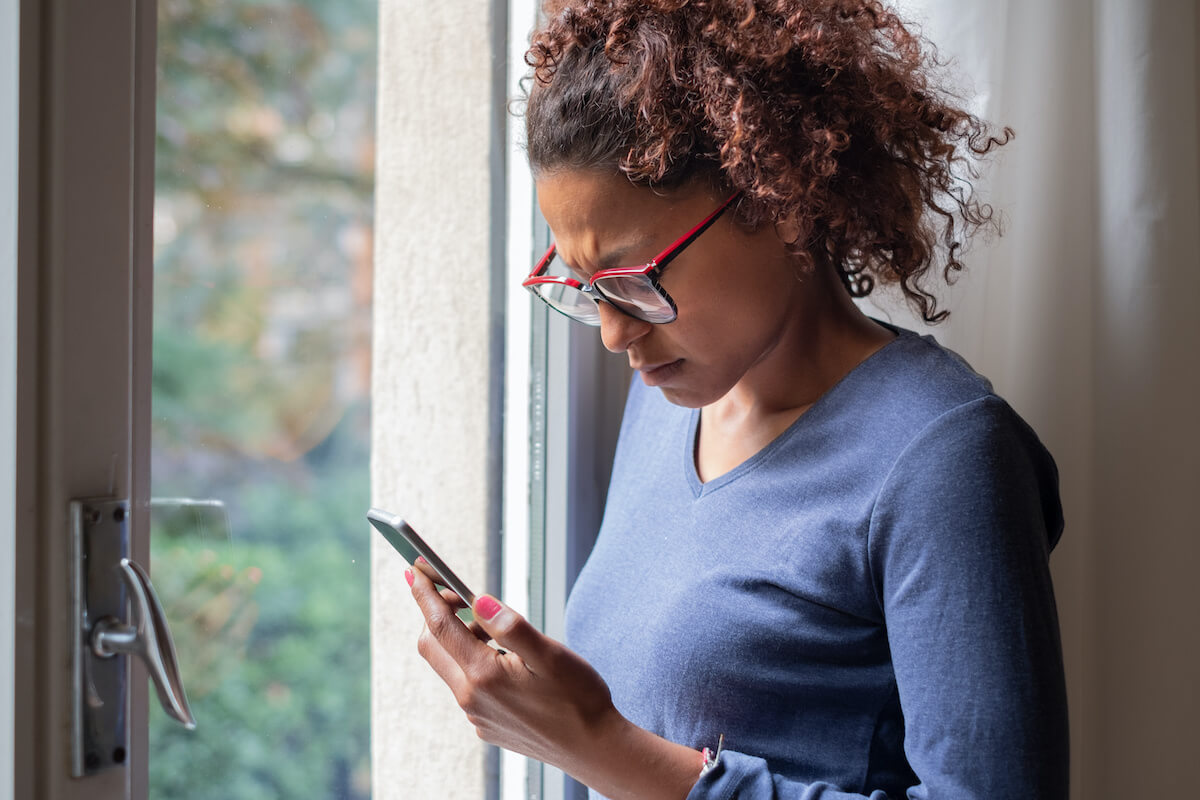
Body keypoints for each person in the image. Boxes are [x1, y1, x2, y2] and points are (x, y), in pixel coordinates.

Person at [405, 1, 1070, 798]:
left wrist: (601, 747)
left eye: (634, 281)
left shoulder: (943, 457)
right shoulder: (672, 396)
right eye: (582, 288)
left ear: (779, 199)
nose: (614, 335)